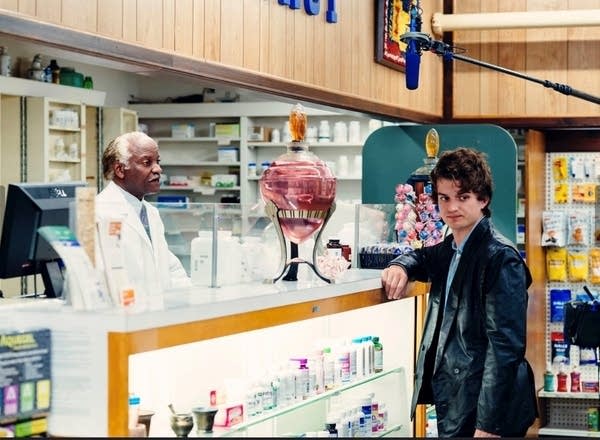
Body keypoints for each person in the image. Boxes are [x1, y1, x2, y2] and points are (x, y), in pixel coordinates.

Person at [381, 147, 537, 437]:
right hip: (459, 397)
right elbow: (424, 257)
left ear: (483, 199)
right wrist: (401, 265)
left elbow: (505, 348)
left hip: (484, 407)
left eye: (462, 197)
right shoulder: (453, 247)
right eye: (444, 198)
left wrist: (488, 423)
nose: (452, 207)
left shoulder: (500, 257)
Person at [96, 131, 190, 306]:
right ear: (120, 170)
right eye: (147, 162)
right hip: (124, 318)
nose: (158, 169)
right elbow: (101, 279)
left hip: (154, 317)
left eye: (157, 161)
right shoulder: (100, 212)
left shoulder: (150, 212)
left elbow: (169, 267)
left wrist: (192, 299)